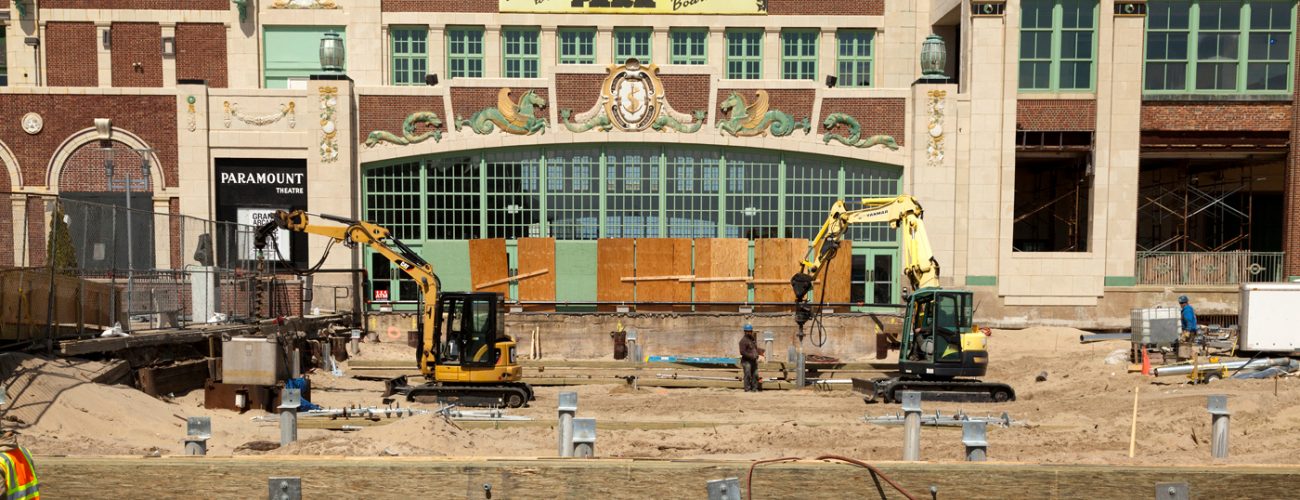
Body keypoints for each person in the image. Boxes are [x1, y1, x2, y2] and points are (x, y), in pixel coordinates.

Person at [738, 324, 765, 392]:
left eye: (750, 331)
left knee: (755, 374)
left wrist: (760, 352)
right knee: (747, 374)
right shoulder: (743, 341)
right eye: (747, 331)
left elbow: (754, 349)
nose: (748, 332)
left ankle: (754, 388)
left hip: (753, 361)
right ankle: (747, 388)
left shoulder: (752, 339)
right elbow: (742, 352)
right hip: (746, 361)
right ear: (745, 331)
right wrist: (751, 356)